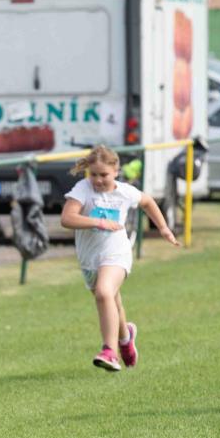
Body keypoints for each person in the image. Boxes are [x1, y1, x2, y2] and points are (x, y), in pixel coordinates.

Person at [60, 145, 180, 372]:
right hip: (89, 259)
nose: (98, 180)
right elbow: (67, 218)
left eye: (104, 175)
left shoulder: (125, 192)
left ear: (116, 171)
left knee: (104, 292)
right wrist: (99, 222)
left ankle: (109, 351)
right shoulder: (83, 189)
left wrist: (164, 228)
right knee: (111, 300)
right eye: (93, 174)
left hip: (117, 254)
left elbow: (147, 202)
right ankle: (126, 337)